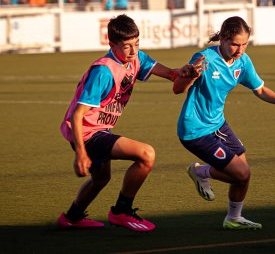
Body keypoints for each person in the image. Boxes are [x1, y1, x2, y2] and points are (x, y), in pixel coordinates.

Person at [57, 14, 205, 232]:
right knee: (146, 154)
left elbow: (172, 75)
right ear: (111, 44)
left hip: (100, 130)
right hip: (87, 133)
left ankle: (72, 217)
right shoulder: (103, 71)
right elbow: (77, 115)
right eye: (127, 46)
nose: (133, 51)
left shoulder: (136, 59)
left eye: (137, 44)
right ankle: (121, 212)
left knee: (101, 179)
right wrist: (81, 153)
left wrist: (186, 71)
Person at [177, 16, 275, 230]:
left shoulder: (242, 61)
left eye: (244, 44)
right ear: (223, 39)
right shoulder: (204, 58)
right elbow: (177, 89)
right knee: (242, 173)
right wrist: (189, 76)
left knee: (242, 172)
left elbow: (260, 89)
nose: (240, 50)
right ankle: (201, 172)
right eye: (235, 44)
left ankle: (233, 218)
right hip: (195, 130)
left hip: (217, 124)